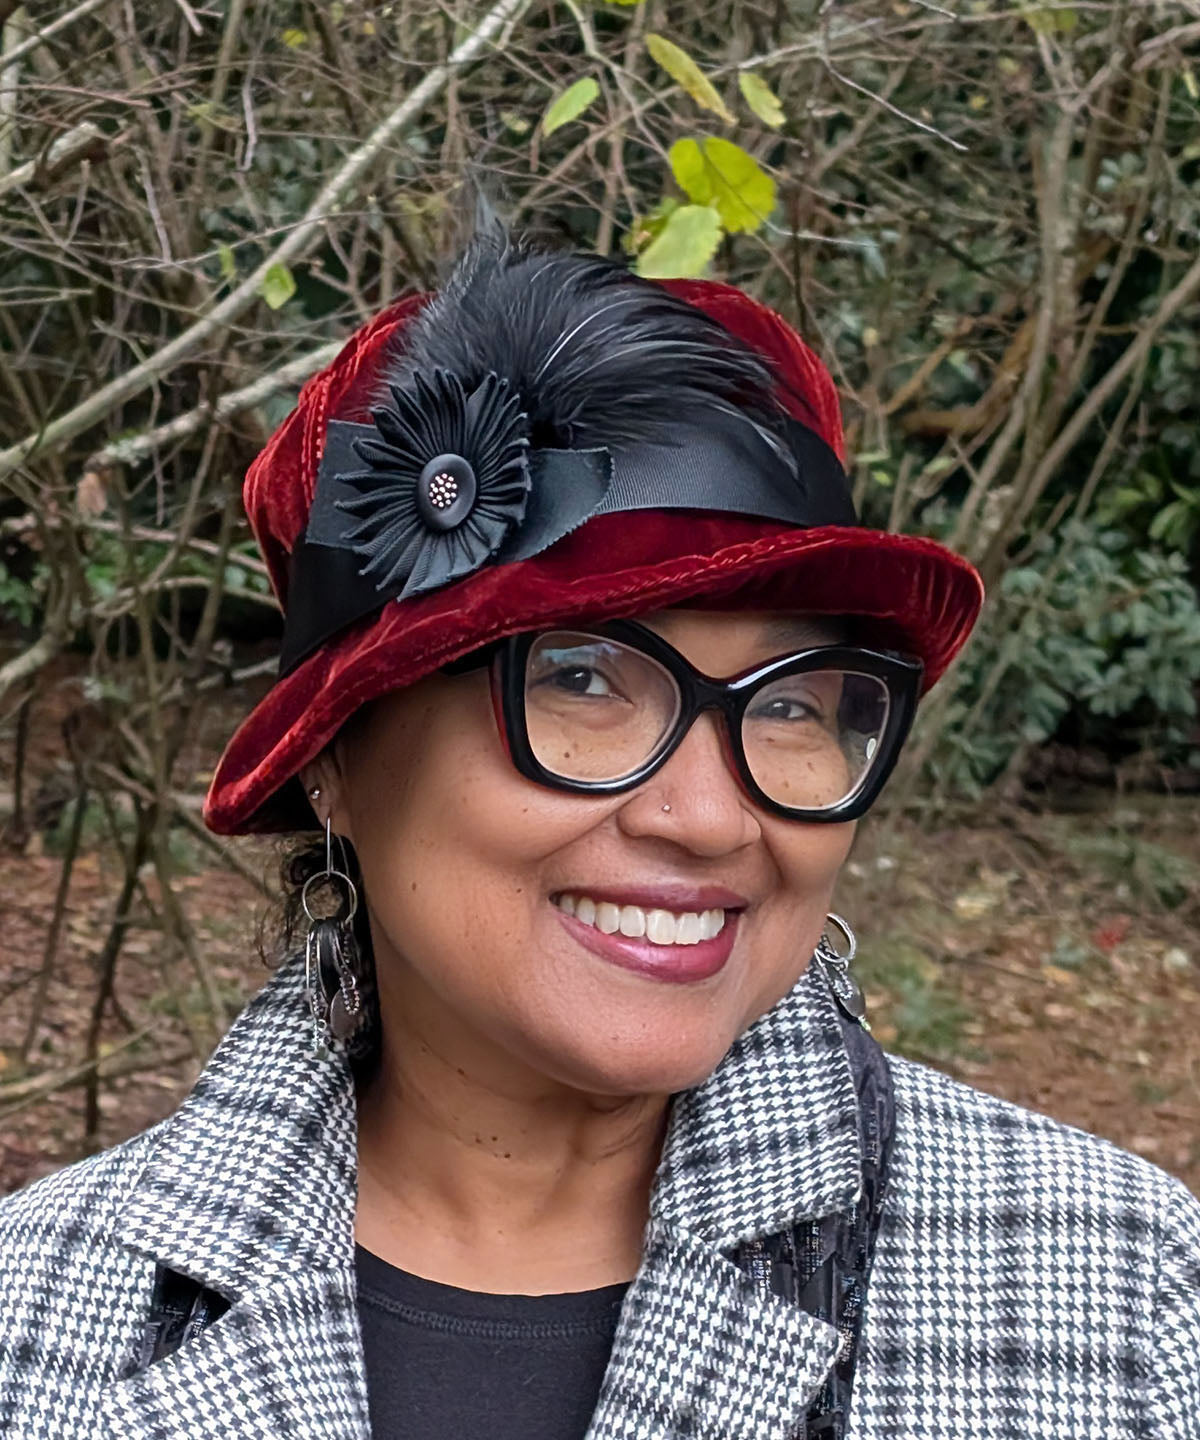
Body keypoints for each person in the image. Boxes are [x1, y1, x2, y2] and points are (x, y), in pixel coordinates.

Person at [1, 227, 1197, 1440]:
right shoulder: (37, 1323)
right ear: (335, 761)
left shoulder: (1113, 1299)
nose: (712, 816)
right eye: (578, 679)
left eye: (792, 703)